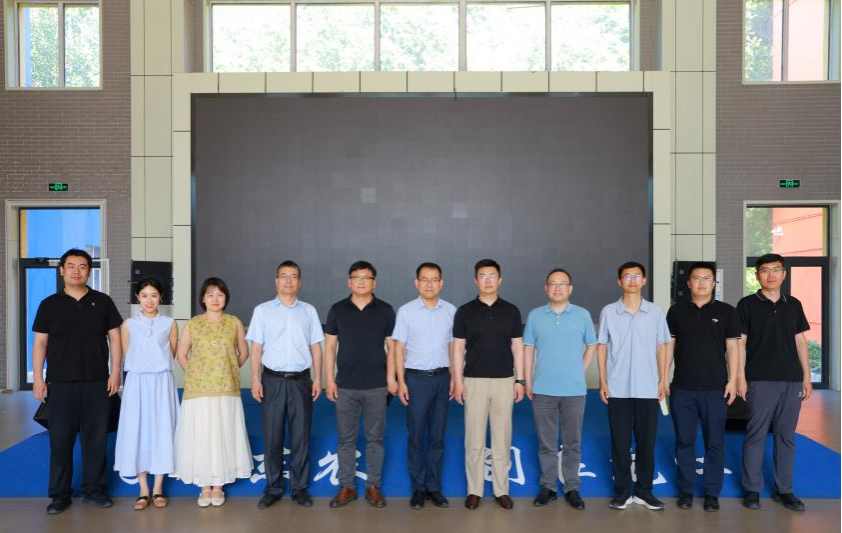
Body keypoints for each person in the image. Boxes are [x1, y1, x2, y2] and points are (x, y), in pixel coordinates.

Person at [32, 248, 123, 515]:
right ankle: (59, 495)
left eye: (82, 266)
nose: (76, 271)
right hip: (60, 383)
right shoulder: (49, 304)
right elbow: (40, 343)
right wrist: (38, 378)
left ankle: (94, 490)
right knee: (60, 442)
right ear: (62, 270)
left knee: (96, 441)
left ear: (89, 272)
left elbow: (115, 338)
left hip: (97, 382)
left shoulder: (103, 302)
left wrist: (115, 372)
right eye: (71, 266)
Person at [737, 253, 812, 512]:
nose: (771, 275)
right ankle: (752, 489)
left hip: (791, 380)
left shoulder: (794, 304)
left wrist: (806, 377)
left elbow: (801, 342)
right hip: (759, 379)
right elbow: (740, 343)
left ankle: (785, 490)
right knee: (755, 434)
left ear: (784, 273)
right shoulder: (747, 304)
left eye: (776, 269)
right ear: (757, 275)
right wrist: (740, 377)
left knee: (786, 436)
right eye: (765, 270)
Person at [247, 260, 324, 509]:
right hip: (272, 381)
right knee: (273, 436)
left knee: (301, 437)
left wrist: (318, 378)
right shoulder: (263, 311)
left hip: (301, 381)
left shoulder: (309, 311)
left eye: (293, 276)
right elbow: (256, 347)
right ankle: (273, 488)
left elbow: (316, 347)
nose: (288, 280)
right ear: (276, 281)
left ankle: (300, 488)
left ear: (299, 282)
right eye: (283, 276)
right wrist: (255, 379)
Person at [664, 262, 740, 512]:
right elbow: (669, 347)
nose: (701, 283)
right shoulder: (676, 312)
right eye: (696, 278)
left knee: (714, 442)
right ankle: (686, 490)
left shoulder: (727, 312)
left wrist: (733, 380)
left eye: (707, 278)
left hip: (715, 389)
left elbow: (733, 348)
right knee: (684, 441)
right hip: (682, 388)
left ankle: (711, 493)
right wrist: (663, 377)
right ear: (688, 283)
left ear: (714, 283)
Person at [171, 277, 252, 507]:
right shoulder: (193, 324)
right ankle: (205, 486)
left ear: (226, 298)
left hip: (226, 389)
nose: (215, 299)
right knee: (203, 434)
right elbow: (181, 355)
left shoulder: (234, 322)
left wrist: (228, 369)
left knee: (222, 433)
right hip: (199, 390)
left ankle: (219, 485)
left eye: (220, 294)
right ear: (203, 298)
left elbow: (244, 353)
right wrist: (196, 373)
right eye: (210, 294)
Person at [597, 261, 671, 511]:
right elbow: (602, 346)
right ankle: (622, 492)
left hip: (648, 387)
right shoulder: (609, 312)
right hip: (617, 388)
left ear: (644, 281)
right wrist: (603, 380)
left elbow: (662, 346)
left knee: (646, 443)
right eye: (627, 276)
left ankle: (644, 492)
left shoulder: (655, 312)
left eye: (637, 276)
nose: (632, 280)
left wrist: (663, 379)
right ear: (619, 281)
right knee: (619, 443)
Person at [452, 259, 525, 510]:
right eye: (482, 276)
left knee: (502, 438)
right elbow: (458, 348)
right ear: (476, 280)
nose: (488, 280)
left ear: (500, 279)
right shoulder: (465, 311)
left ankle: (501, 490)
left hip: (504, 381)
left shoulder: (511, 311)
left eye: (492, 275)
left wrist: (520, 380)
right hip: (474, 381)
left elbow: (517, 346)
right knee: (474, 439)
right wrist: (457, 381)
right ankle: (474, 490)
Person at [324, 261, 397, 508]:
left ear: (374, 282)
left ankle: (373, 487)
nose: (362, 282)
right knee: (346, 439)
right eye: (357, 277)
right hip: (345, 385)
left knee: (375, 439)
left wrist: (391, 379)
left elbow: (392, 347)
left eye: (367, 277)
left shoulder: (385, 310)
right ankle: (347, 487)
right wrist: (329, 379)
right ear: (349, 282)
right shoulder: (337, 309)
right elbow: (330, 347)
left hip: (377, 385)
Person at [524, 268, 596, 510]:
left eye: (562, 283)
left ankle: (572, 488)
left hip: (574, 391)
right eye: (553, 283)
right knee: (546, 442)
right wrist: (527, 380)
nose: (557, 288)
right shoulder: (535, 315)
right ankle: (548, 487)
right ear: (546, 288)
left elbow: (592, 345)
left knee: (572, 442)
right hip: (543, 389)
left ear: (570, 288)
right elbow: (528, 348)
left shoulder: (582, 315)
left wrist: (580, 369)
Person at [393, 262, 456, 510]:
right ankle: (418, 488)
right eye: (424, 279)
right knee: (417, 435)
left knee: (438, 436)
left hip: (442, 379)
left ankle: (434, 488)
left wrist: (455, 378)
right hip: (415, 380)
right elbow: (398, 348)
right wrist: (401, 381)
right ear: (416, 283)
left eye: (434, 279)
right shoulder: (406, 311)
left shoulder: (451, 311)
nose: (429, 284)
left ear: (441, 283)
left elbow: (454, 347)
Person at [114, 277, 180, 510]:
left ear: (161, 297)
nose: (149, 300)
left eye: (154, 295)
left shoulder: (170, 323)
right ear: (137, 298)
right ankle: (143, 489)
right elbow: (126, 354)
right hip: (137, 382)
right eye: (144, 296)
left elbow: (172, 352)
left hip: (162, 381)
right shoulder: (128, 325)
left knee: (163, 428)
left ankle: (158, 487)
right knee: (137, 429)